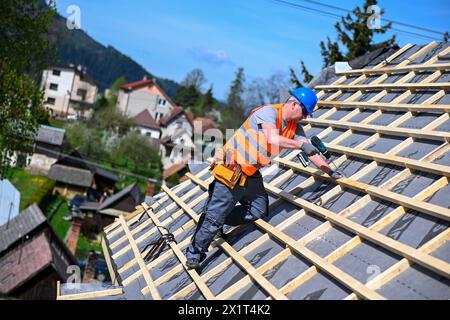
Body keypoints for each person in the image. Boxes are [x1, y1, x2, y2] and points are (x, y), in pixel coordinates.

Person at [185, 87, 343, 269]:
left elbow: (311, 151)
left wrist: (330, 171)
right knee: (213, 219)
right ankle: (195, 254)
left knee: (258, 209)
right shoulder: (268, 113)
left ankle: (219, 216)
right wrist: (301, 145)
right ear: (293, 104)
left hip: (250, 174)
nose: (305, 117)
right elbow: (272, 138)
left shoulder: (295, 128)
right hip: (231, 169)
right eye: (305, 112)